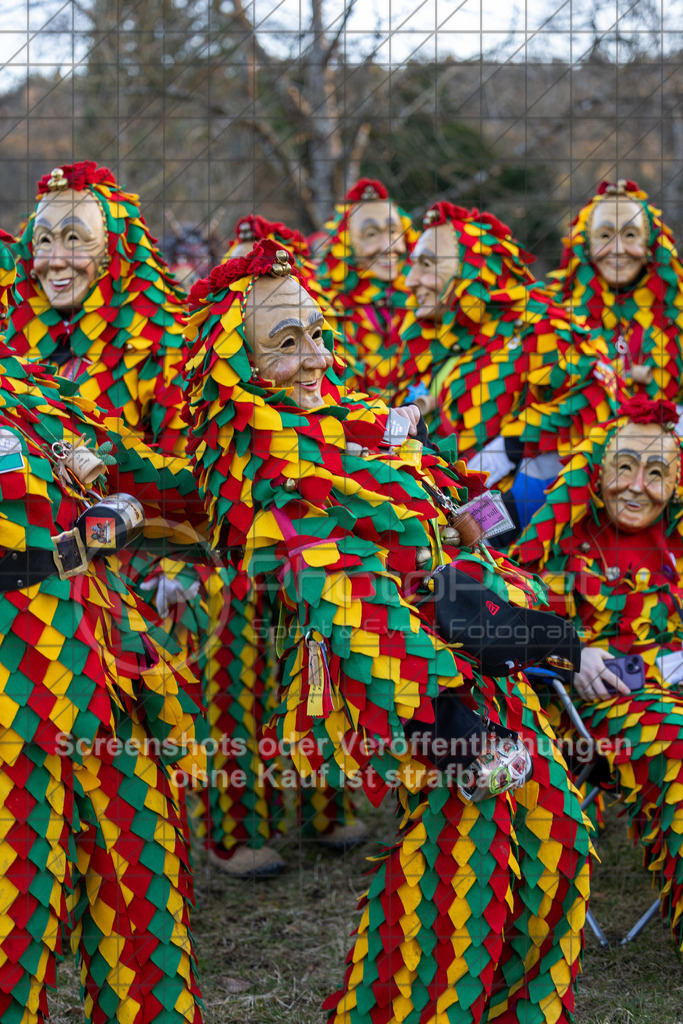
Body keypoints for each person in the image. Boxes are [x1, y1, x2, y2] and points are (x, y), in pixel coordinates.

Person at [183, 239, 592, 1024]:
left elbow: (451, 549)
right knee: (463, 890)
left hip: (481, 664)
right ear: (234, 364)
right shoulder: (276, 478)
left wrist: (476, 532)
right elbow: (372, 620)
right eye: (285, 342)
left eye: (317, 333)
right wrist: (467, 731)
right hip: (441, 710)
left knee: (542, 854)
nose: (314, 358)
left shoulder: (348, 423)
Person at [0, 234, 206, 1023]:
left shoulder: (29, 387)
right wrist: (72, 543)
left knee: (142, 890)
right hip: (14, 709)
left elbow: (143, 477)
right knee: (16, 917)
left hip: (106, 673)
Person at [512, 394, 683, 951]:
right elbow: (510, 619)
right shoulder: (565, 542)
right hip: (601, 704)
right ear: (598, 470)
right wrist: (572, 649)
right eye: (624, 468)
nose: (637, 487)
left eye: (656, 473)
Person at [395, 201, 621, 531]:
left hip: (505, 539)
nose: (410, 281)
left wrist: (507, 451)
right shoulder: (432, 335)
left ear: (472, 268)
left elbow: (597, 395)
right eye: (413, 265)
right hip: (432, 514)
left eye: (427, 265)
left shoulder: (540, 325)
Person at [544, 179, 683, 403]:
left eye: (630, 235)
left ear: (649, 244)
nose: (617, 250)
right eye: (605, 236)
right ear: (587, 247)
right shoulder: (554, 319)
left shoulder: (677, 314)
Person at [316, 178, 417, 396]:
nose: (387, 246)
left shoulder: (426, 300)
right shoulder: (325, 309)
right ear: (346, 243)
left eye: (393, 232)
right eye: (371, 234)